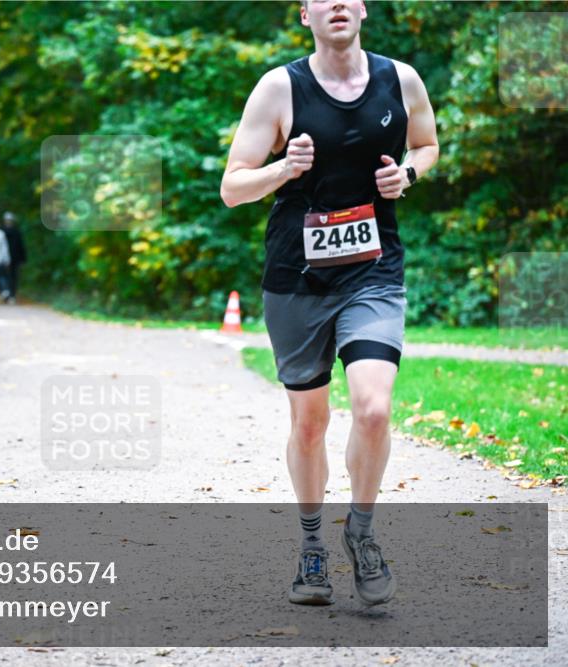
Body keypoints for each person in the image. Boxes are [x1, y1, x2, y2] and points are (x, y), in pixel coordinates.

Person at [219, 0, 439, 606]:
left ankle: (361, 534)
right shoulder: (278, 88)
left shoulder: (401, 79)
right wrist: (282, 170)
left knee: (372, 408)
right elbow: (232, 186)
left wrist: (410, 177)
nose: (337, 3)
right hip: (296, 279)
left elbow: (426, 145)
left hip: (373, 272)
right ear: (305, 14)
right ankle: (312, 546)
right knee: (309, 424)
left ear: (363, 9)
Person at [1, 211, 27, 304]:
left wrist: (23, 258)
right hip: (3, 258)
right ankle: (6, 292)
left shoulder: (16, 232)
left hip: (14, 258)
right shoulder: (1, 232)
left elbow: (21, 246)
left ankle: (11, 294)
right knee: (5, 276)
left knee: (13, 276)